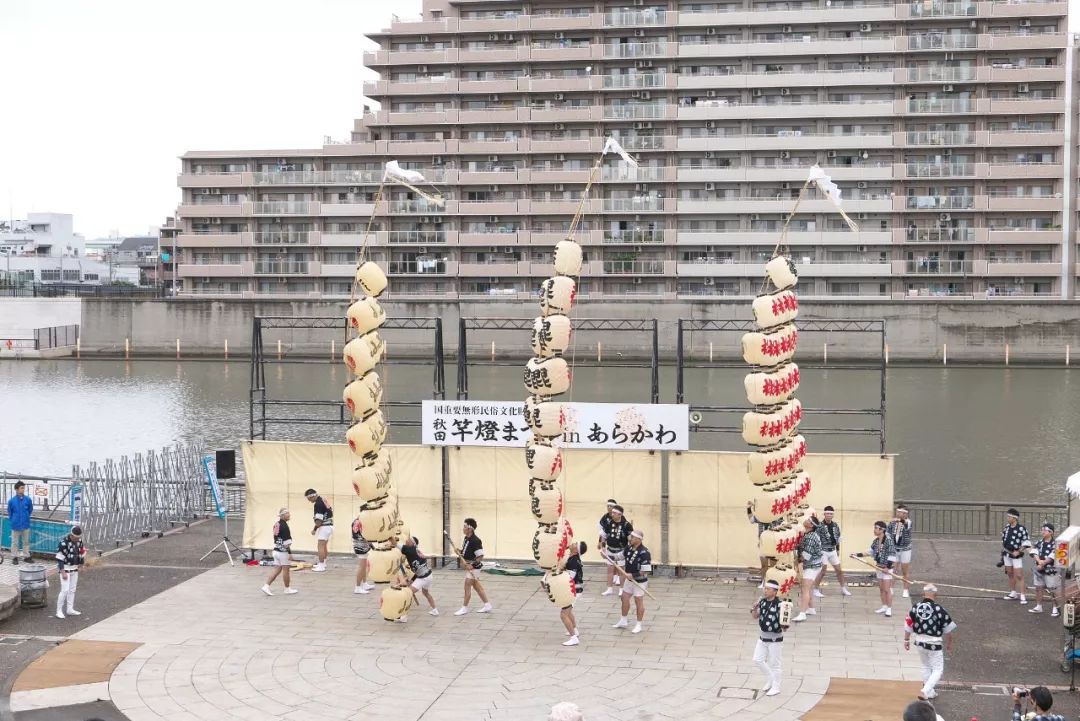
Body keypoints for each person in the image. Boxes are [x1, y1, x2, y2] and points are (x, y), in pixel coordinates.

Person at [903, 584, 956, 701]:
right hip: (934, 643)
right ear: (936, 595)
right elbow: (948, 629)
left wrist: (906, 639)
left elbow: (908, 625)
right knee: (938, 669)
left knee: (925, 666)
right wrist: (949, 643)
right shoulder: (940, 610)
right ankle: (925, 690)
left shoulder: (915, 608)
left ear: (923, 594)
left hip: (920, 641)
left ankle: (929, 692)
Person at [751, 579, 788, 697]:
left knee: (775, 664)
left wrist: (784, 622)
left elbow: (785, 627)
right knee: (757, 660)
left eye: (768, 589)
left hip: (775, 640)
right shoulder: (762, 602)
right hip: (762, 638)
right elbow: (755, 616)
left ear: (775, 591)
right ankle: (770, 678)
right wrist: (754, 608)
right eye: (765, 588)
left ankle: (776, 686)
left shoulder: (780, 605)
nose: (765, 591)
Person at [852, 520, 896, 617]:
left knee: (887, 589)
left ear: (882, 530)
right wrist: (857, 555)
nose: (874, 530)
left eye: (876, 528)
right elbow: (870, 552)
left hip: (887, 569)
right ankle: (884, 606)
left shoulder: (888, 540)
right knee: (881, 588)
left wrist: (888, 567)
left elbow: (893, 555)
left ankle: (889, 608)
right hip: (879, 567)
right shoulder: (876, 541)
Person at [612, 529, 650, 634]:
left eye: (633, 537)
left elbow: (646, 570)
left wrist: (633, 575)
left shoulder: (644, 552)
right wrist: (609, 556)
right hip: (629, 580)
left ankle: (639, 624)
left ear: (638, 539)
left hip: (639, 582)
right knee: (624, 598)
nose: (630, 539)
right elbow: (619, 556)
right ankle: (623, 620)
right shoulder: (628, 548)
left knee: (638, 602)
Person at [455, 518, 492, 616]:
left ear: (470, 529)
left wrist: (472, 565)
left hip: (475, 567)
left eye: (465, 526)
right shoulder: (466, 538)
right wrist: (459, 551)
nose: (463, 528)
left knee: (467, 585)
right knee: (477, 587)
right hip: (470, 566)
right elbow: (465, 551)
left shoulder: (475, 540)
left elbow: (480, 556)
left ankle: (464, 608)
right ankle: (487, 605)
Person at [813, 506, 852, 597]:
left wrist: (838, 549)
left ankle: (843, 588)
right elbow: (816, 539)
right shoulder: (819, 526)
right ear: (824, 514)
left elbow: (838, 538)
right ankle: (815, 589)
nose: (829, 515)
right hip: (823, 550)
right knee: (823, 571)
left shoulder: (835, 525)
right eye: (827, 513)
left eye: (831, 514)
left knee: (839, 570)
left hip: (833, 550)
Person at [397, 535, 437, 619]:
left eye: (409, 540)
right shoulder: (418, 551)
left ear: (413, 543)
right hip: (429, 576)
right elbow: (418, 570)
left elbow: (396, 544)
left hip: (423, 578)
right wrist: (411, 581)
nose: (407, 540)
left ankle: (403, 617)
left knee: (407, 594)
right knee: (425, 593)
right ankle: (435, 610)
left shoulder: (411, 551)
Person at [1028, 523, 1062, 617]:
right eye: (1042, 529)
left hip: (1051, 570)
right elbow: (1034, 551)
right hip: (1039, 568)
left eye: (1044, 530)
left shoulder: (1056, 543)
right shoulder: (1040, 542)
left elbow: (1053, 556)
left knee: (1052, 589)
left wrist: (1042, 563)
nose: (1042, 531)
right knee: (1038, 588)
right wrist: (1039, 561)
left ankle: (1055, 607)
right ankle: (1039, 606)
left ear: (1050, 532)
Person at [599, 504, 633, 596]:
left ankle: (622, 589)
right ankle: (609, 589)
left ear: (619, 514)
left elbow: (630, 540)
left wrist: (629, 551)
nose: (612, 514)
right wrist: (602, 548)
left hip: (621, 551)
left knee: (621, 571)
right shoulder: (609, 523)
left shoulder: (627, 525)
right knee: (610, 570)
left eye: (614, 513)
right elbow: (603, 536)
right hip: (610, 550)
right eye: (612, 512)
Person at [792, 516, 822, 623]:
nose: (805, 520)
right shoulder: (810, 534)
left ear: (811, 525)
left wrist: (797, 560)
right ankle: (811, 609)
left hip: (812, 566)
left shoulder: (810, 537)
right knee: (807, 588)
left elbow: (806, 555)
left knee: (804, 589)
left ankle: (802, 613)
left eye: (808, 520)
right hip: (815, 565)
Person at [262, 508, 298, 596]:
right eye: (287, 513)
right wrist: (289, 553)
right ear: (282, 515)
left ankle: (266, 586)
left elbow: (276, 538)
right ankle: (287, 589)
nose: (289, 515)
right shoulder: (284, 526)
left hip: (276, 551)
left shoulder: (276, 524)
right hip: (283, 552)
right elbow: (287, 543)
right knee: (286, 570)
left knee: (277, 569)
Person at [747, 500, 782, 588]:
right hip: (763, 543)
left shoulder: (777, 516)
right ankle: (763, 581)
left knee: (774, 565)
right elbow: (751, 520)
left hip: (774, 543)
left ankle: (773, 583)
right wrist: (748, 508)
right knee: (764, 564)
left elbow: (782, 526)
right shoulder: (760, 516)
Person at [55, 525, 86, 619]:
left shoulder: (79, 541)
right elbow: (60, 558)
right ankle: (58, 611)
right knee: (64, 590)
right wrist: (62, 571)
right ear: (71, 535)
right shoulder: (63, 543)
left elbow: (81, 552)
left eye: (79, 538)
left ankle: (70, 609)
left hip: (75, 568)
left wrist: (82, 563)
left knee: (72, 590)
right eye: (76, 538)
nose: (78, 540)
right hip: (66, 568)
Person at [1001, 508, 1030, 604]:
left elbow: (1026, 542)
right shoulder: (1007, 527)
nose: (1007, 518)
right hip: (1006, 553)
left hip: (1016, 554)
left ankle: (1022, 595)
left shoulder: (1021, 529)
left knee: (1019, 575)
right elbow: (1003, 539)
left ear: (1014, 518)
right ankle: (1013, 592)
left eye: (1009, 517)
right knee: (1010, 573)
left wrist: (1019, 551)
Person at [561, 541, 586, 646]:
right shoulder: (573, 558)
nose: (572, 543)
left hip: (573, 591)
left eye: (575, 544)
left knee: (563, 614)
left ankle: (573, 638)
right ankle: (575, 630)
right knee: (568, 611)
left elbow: (569, 578)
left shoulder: (573, 561)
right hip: (575, 590)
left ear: (576, 550)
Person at [887, 504, 914, 598]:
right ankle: (891, 588)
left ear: (906, 514)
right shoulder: (892, 523)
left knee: (904, 570)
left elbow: (905, 524)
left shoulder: (908, 522)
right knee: (893, 569)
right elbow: (888, 534)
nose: (898, 514)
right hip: (895, 549)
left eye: (901, 512)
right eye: (898, 512)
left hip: (905, 549)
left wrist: (899, 520)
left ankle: (905, 589)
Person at [305, 488, 333, 572]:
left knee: (320, 546)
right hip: (330, 525)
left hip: (324, 526)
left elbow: (319, 521)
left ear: (312, 496)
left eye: (309, 499)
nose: (309, 501)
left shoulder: (318, 504)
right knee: (324, 546)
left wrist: (314, 529)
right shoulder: (323, 500)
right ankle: (323, 563)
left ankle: (321, 566)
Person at [6, 481, 33, 565]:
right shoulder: (11, 501)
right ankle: (15, 557)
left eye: (23, 488)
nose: (23, 489)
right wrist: (13, 520)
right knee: (15, 542)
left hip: (25, 524)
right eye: (22, 488)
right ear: (16, 489)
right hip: (16, 525)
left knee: (26, 541)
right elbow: (10, 512)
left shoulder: (28, 499)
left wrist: (26, 517)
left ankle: (26, 556)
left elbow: (30, 510)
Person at [351, 517, 374, 595]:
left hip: (361, 545)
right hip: (360, 546)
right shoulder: (359, 522)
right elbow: (360, 535)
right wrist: (369, 542)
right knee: (361, 566)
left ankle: (364, 584)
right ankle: (357, 587)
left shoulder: (359, 520)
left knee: (364, 566)